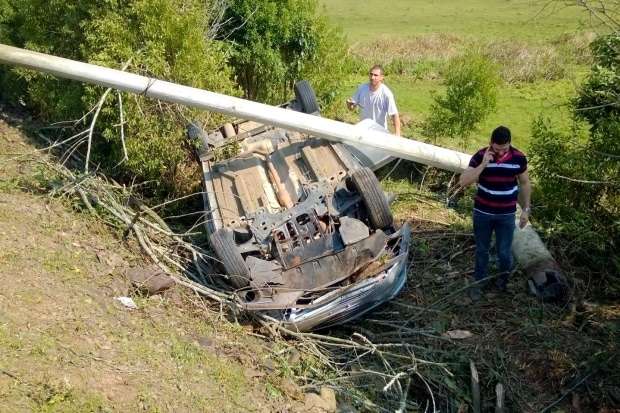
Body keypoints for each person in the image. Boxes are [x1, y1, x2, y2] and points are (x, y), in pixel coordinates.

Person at [458, 126, 531, 301]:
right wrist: (483, 164)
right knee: (481, 250)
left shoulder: (519, 158)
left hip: (506, 215)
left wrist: (526, 209)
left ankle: (503, 283)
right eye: (497, 149)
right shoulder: (479, 156)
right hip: (482, 213)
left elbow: (525, 184)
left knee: (504, 252)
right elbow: (463, 181)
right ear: (491, 143)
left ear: (509, 144)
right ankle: (479, 283)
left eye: (504, 149)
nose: (500, 152)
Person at [347, 65, 401, 136]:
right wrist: (349, 104)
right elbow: (351, 108)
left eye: (376, 75)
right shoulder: (362, 88)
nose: (372, 77)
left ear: (382, 77)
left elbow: (394, 114)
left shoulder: (386, 94)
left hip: (379, 132)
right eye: (371, 74)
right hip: (364, 129)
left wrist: (397, 133)